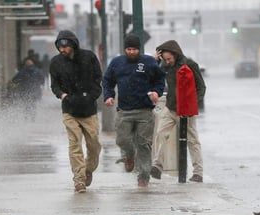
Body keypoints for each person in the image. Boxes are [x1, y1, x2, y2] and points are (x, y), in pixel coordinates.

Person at [103, 34, 165, 187]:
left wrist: (157, 91)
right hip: (124, 111)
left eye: (134, 49)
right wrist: (108, 96)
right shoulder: (117, 63)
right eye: (129, 49)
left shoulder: (149, 62)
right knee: (122, 140)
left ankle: (143, 176)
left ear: (139, 49)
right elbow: (107, 80)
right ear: (125, 49)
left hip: (145, 110)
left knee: (143, 144)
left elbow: (159, 79)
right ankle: (129, 156)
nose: (131, 52)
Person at [49, 30, 102, 193]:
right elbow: (54, 85)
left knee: (94, 144)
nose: (62, 49)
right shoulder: (56, 62)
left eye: (65, 46)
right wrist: (63, 95)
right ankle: (79, 180)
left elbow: (97, 78)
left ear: (73, 44)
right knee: (74, 145)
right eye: (59, 46)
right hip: (69, 110)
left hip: (89, 110)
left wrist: (91, 95)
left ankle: (88, 170)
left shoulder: (88, 57)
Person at [151, 40, 206, 183]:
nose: (167, 61)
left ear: (176, 54)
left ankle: (198, 172)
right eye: (165, 59)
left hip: (186, 110)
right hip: (170, 107)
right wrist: (155, 61)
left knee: (192, 140)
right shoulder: (165, 66)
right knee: (160, 134)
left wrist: (193, 103)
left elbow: (201, 87)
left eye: (169, 59)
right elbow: (153, 76)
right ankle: (157, 165)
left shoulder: (190, 65)